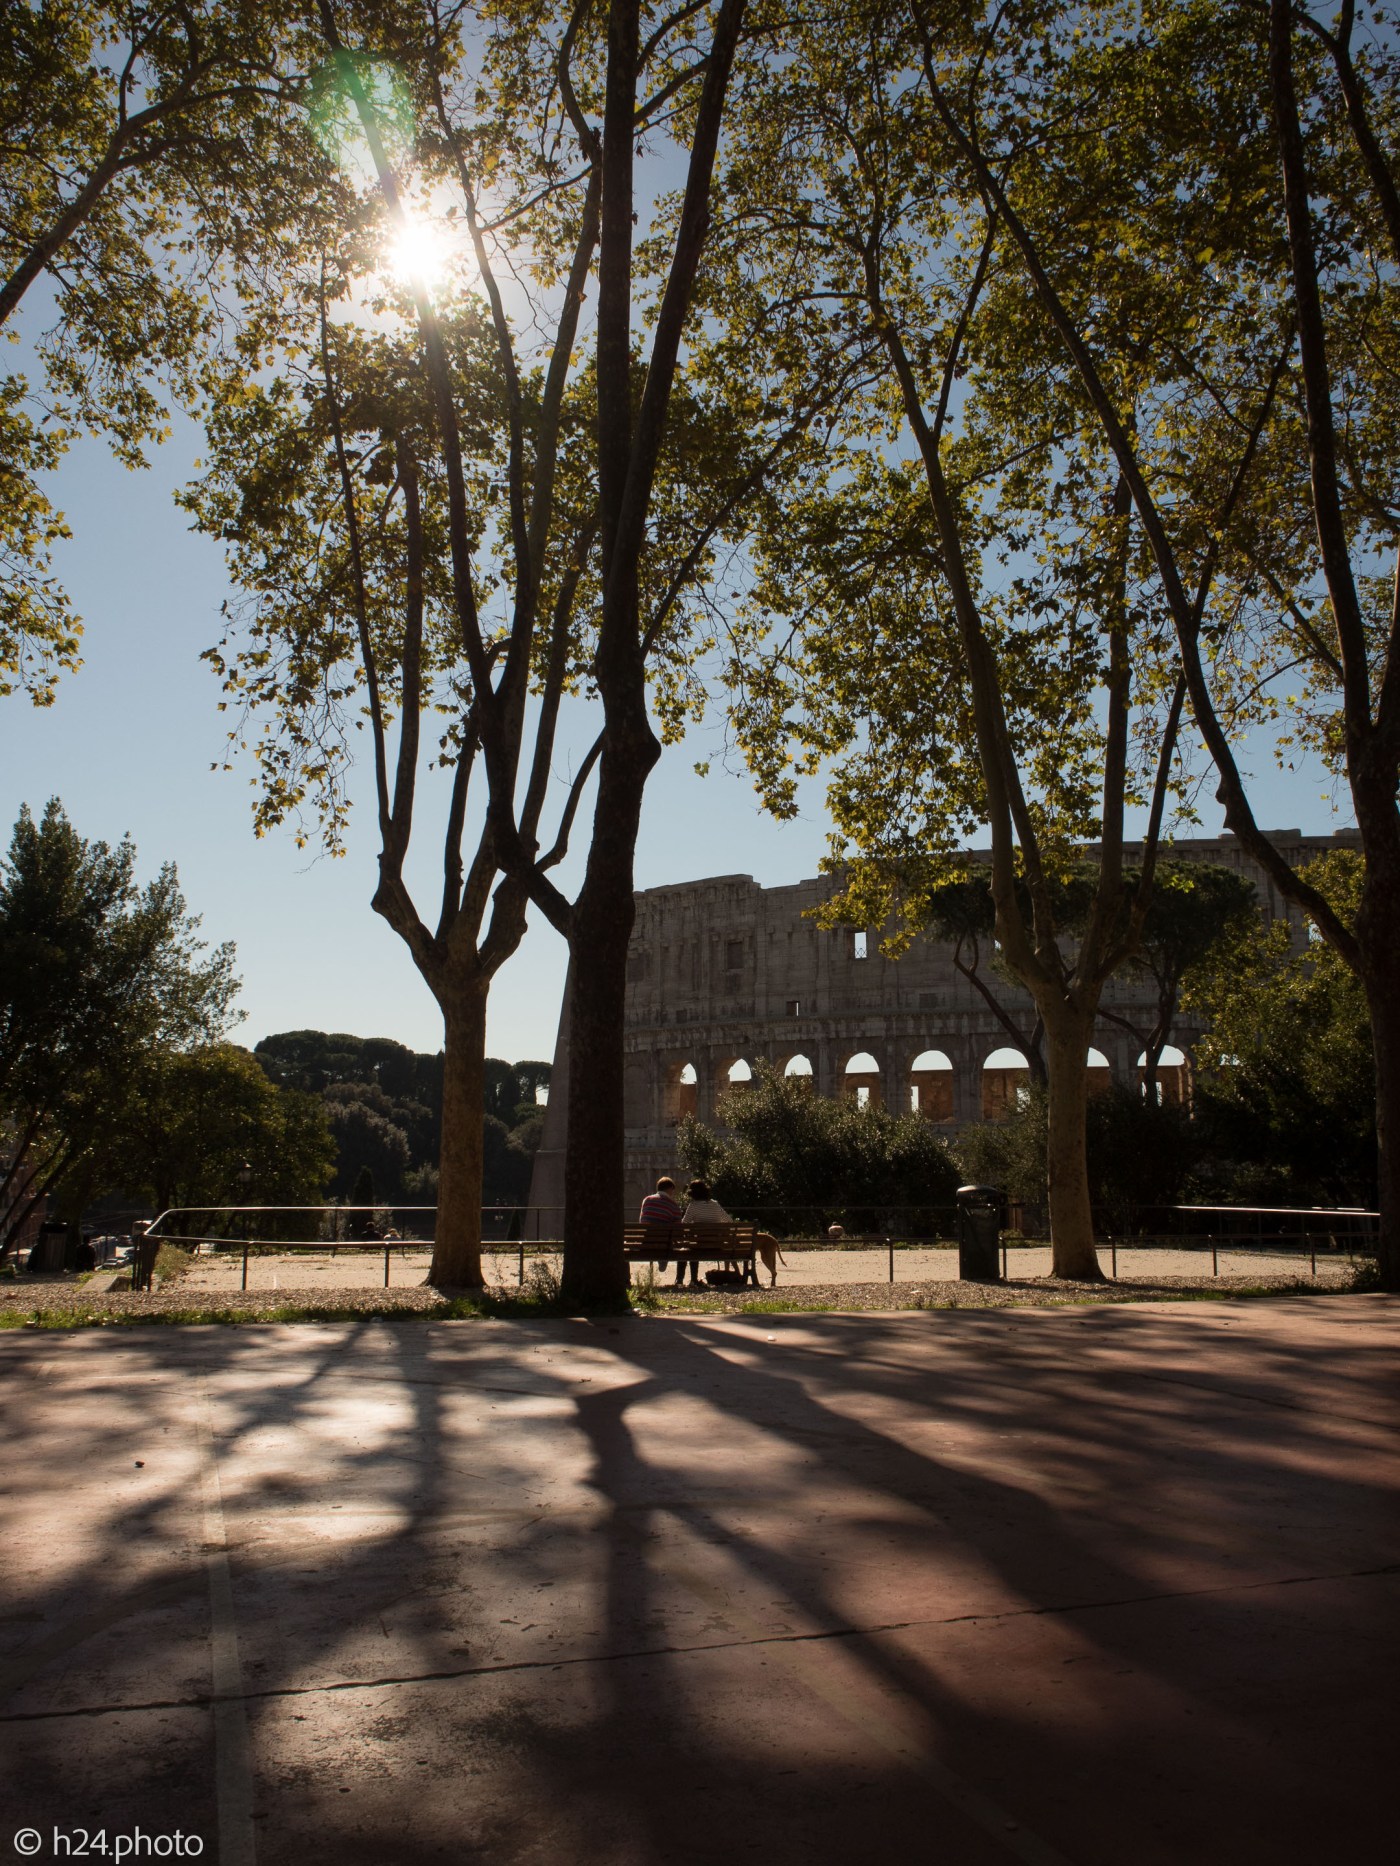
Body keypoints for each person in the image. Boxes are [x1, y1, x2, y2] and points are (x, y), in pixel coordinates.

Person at [638, 1176, 683, 1281]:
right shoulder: (673, 1205)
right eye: (673, 1190)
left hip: (646, 1241)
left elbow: (642, 1221)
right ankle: (662, 1259)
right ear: (669, 1189)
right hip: (664, 1243)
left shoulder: (647, 1200)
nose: (673, 1193)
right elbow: (678, 1228)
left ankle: (660, 1258)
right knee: (667, 1237)